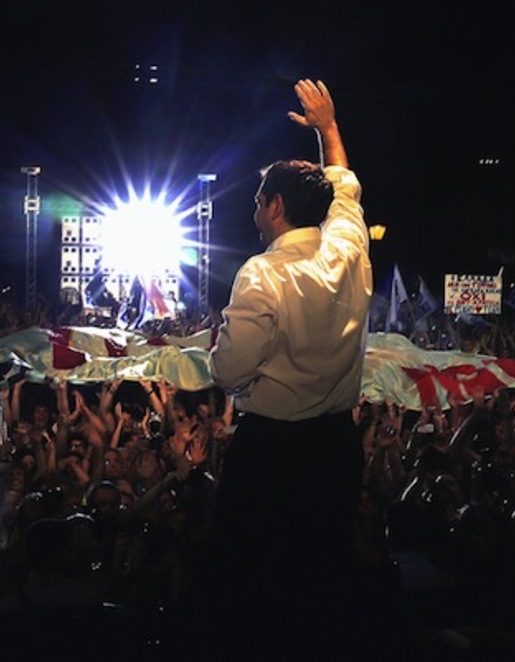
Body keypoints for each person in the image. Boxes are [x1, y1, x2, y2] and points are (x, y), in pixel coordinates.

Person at [204, 78, 373, 658]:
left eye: (256, 201)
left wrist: (220, 353)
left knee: (257, 586)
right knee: (323, 578)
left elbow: (229, 371)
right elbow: (345, 189)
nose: (254, 212)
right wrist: (328, 127)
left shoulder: (261, 274)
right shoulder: (348, 251)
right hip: (335, 448)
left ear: (274, 207)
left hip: (272, 453)